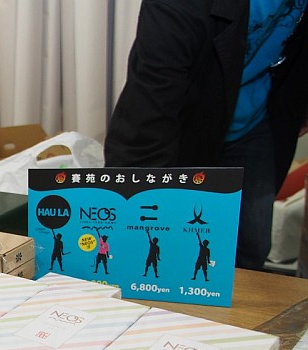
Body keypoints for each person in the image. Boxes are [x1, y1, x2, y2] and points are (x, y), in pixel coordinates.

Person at [104, 0, 308, 271]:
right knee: (164, 248)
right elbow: (148, 115)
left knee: (250, 248)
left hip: (257, 122)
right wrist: (130, 207)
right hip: (182, 127)